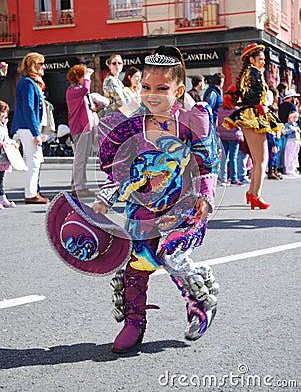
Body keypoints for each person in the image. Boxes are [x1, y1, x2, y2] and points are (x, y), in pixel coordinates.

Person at [92, 45, 220, 353]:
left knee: (171, 255)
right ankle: (133, 323)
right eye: (146, 87)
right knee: (138, 265)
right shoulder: (130, 127)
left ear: (177, 90)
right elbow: (120, 172)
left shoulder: (191, 123)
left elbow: (208, 164)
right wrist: (104, 200)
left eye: (162, 88)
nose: (152, 94)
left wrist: (205, 196)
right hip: (143, 209)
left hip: (181, 205)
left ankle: (200, 302)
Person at [222, 43, 284, 209]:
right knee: (261, 160)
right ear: (251, 59)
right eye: (261, 59)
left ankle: (252, 192)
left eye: (264, 59)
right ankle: (256, 195)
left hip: (250, 115)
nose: (263, 62)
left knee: (258, 160)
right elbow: (250, 96)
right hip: (253, 115)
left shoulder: (250, 73)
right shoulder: (254, 73)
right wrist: (260, 103)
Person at [11, 52, 49, 204]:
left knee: (36, 159)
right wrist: (36, 132)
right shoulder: (27, 83)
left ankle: (33, 190)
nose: (44, 67)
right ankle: (31, 193)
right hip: (28, 127)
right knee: (33, 160)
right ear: (33, 65)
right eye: (41, 64)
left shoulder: (31, 82)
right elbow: (29, 109)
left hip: (29, 126)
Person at [66, 64, 108, 198]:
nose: (85, 78)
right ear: (77, 77)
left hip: (87, 128)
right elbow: (85, 89)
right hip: (80, 129)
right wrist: (88, 76)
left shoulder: (80, 92)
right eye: (83, 76)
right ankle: (79, 187)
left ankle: (77, 185)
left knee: (82, 158)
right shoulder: (72, 91)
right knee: (80, 159)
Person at [217, 104, 244, 185]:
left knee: (224, 158)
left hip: (223, 135)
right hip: (233, 135)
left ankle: (223, 178)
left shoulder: (220, 109)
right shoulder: (236, 109)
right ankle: (234, 178)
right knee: (233, 157)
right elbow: (240, 122)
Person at [0, 100, 17, 208]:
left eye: (4, 112)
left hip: (2, 154)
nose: (3, 114)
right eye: (1, 112)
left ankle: (2, 197)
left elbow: (6, 138)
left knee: (1, 177)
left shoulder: (4, 124)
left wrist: (12, 143)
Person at [283, 110, 301, 177]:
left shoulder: (296, 125)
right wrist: (293, 129)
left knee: (295, 156)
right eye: (293, 117)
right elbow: (285, 132)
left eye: (296, 117)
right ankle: (289, 170)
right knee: (289, 155)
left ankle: (293, 169)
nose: (295, 119)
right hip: (291, 141)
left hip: (296, 141)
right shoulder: (287, 124)